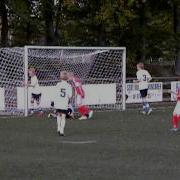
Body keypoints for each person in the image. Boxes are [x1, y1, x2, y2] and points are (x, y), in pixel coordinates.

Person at [53, 71, 72, 136]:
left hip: (58, 102)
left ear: (60, 77)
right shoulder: (69, 85)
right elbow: (70, 96)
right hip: (64, 103)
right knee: (63, 117)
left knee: (58, 115)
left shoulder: (58, 84)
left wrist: (54, 102)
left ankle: (58, 128)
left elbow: (55, 94)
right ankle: (62, 131)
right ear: (67, 78)